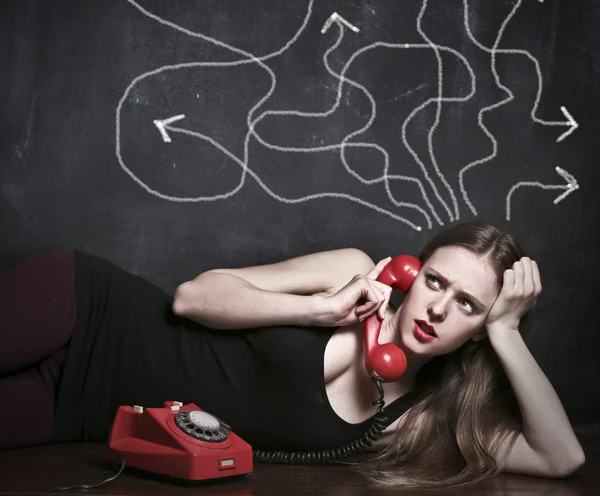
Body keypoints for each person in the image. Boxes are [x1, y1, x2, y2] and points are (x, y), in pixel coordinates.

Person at [0, 220, 585, 488]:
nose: (437, 309)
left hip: (79, 413)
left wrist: (507, 331)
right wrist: (320, 310)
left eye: (468, 306)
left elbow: (561, 459)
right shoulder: (352, 271)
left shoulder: (415, 420)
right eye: (435, 282)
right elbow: (192, 298)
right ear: (413, 271)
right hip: (89, 310)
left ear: (481, 328)